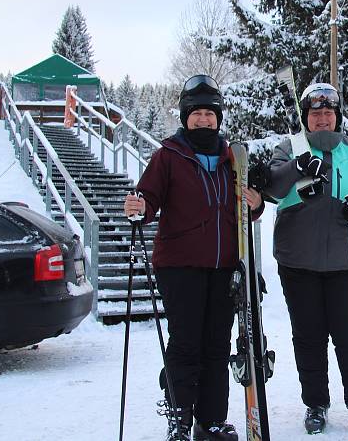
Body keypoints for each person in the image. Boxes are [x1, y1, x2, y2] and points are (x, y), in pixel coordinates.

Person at [123, 75, 263, 441]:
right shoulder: (168, 155)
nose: (204, 120)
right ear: (186, 117)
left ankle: (212, 421)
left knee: (217, 345)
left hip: (223, 267)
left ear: (218, 118)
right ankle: (180, 420)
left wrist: (257, 203)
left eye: (209, 114)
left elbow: (247, 205)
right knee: (186, 343)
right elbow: (148, 198)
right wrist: (139, 205)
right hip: (180, 266)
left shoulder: (234, 157)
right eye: (197, 114)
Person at [262, 82, 348, 435]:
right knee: (308, 337)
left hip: (345, 263)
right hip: (298, 263)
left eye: (328, 113)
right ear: (306, 118)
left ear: (337, 117)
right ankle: (315, 404)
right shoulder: (289, 149)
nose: (322, 119)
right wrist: (298, 168)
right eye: (315, 114)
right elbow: (272, 187)